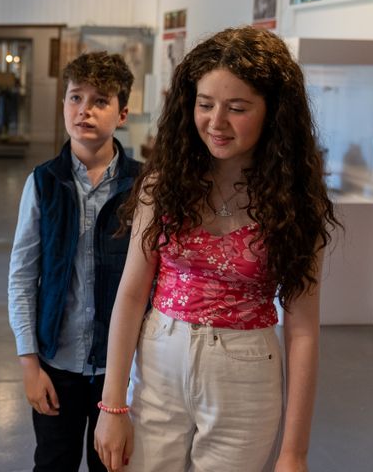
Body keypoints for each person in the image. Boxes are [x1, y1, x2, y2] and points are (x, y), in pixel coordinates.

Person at [93, 26, 339, 472]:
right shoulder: (164, 183)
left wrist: (294, 452)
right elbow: (130, 295)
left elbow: (303, 327)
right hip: (159, 359)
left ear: (273, 113)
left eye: (238, 108)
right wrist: (112, 405)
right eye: (204, 105)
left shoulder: (296, 202)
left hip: (247, 371)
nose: (216, 122)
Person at [8, 51, 142, 471]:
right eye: (74, 97)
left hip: (119, 369)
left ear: (122, 112)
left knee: (113, 465)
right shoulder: (43, 182)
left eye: (99, 100)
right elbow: (22, 277)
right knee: (52, 463)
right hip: (57, 363)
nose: (83, 110)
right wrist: (30, 363)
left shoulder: (143, 186)